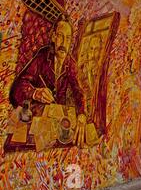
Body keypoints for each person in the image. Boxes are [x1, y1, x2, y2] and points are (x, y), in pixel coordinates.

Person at [9, 19, 87, 147]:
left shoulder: (70, 63)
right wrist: (35, 93)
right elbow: (17, 87)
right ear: (54, 37)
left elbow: (79, 91)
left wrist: (82, 114)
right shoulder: (42, 57)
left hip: (57, 120)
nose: (63, 43)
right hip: (37, 118)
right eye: (60, 36)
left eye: (68, 38)